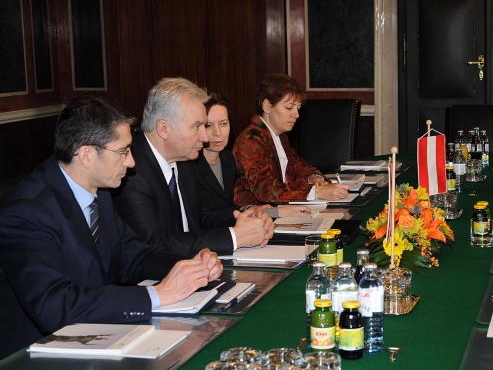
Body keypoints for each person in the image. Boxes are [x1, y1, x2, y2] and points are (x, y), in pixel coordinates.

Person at [0, 96, 222, 359]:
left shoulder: (98, 191)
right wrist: (157, 295)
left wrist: (189, 264)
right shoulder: (27, 210)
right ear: (86, 155)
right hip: (33, 360)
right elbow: (54, 305)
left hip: (95, 341)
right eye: (123, 151)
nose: (131, 162)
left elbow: (132, 255)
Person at [112, 78, 274, 257]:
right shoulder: (130, 171)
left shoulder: (185, 162)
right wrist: (235, 236)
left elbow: (199, 217)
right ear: (163, 129)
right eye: (197, 126)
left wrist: (244, 218)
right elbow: (155, 245)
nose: (205, 137)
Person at [232, 74, 349, 204]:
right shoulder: (251, 141)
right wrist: (316, 192)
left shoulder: (280, 136)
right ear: (267, 106)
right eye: (289, 107)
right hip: (257, 215)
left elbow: (300, 166)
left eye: (298, 108)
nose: (296, 115)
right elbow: (265, 190)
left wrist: (315, 177)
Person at [198, 93, 309, 219]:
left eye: (223, 123)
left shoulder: (226, 159)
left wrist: (253, 209)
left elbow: (229, 206)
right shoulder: (190, 166)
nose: (218, 133)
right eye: (208, 125)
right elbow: (207, 217)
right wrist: (273, 212)